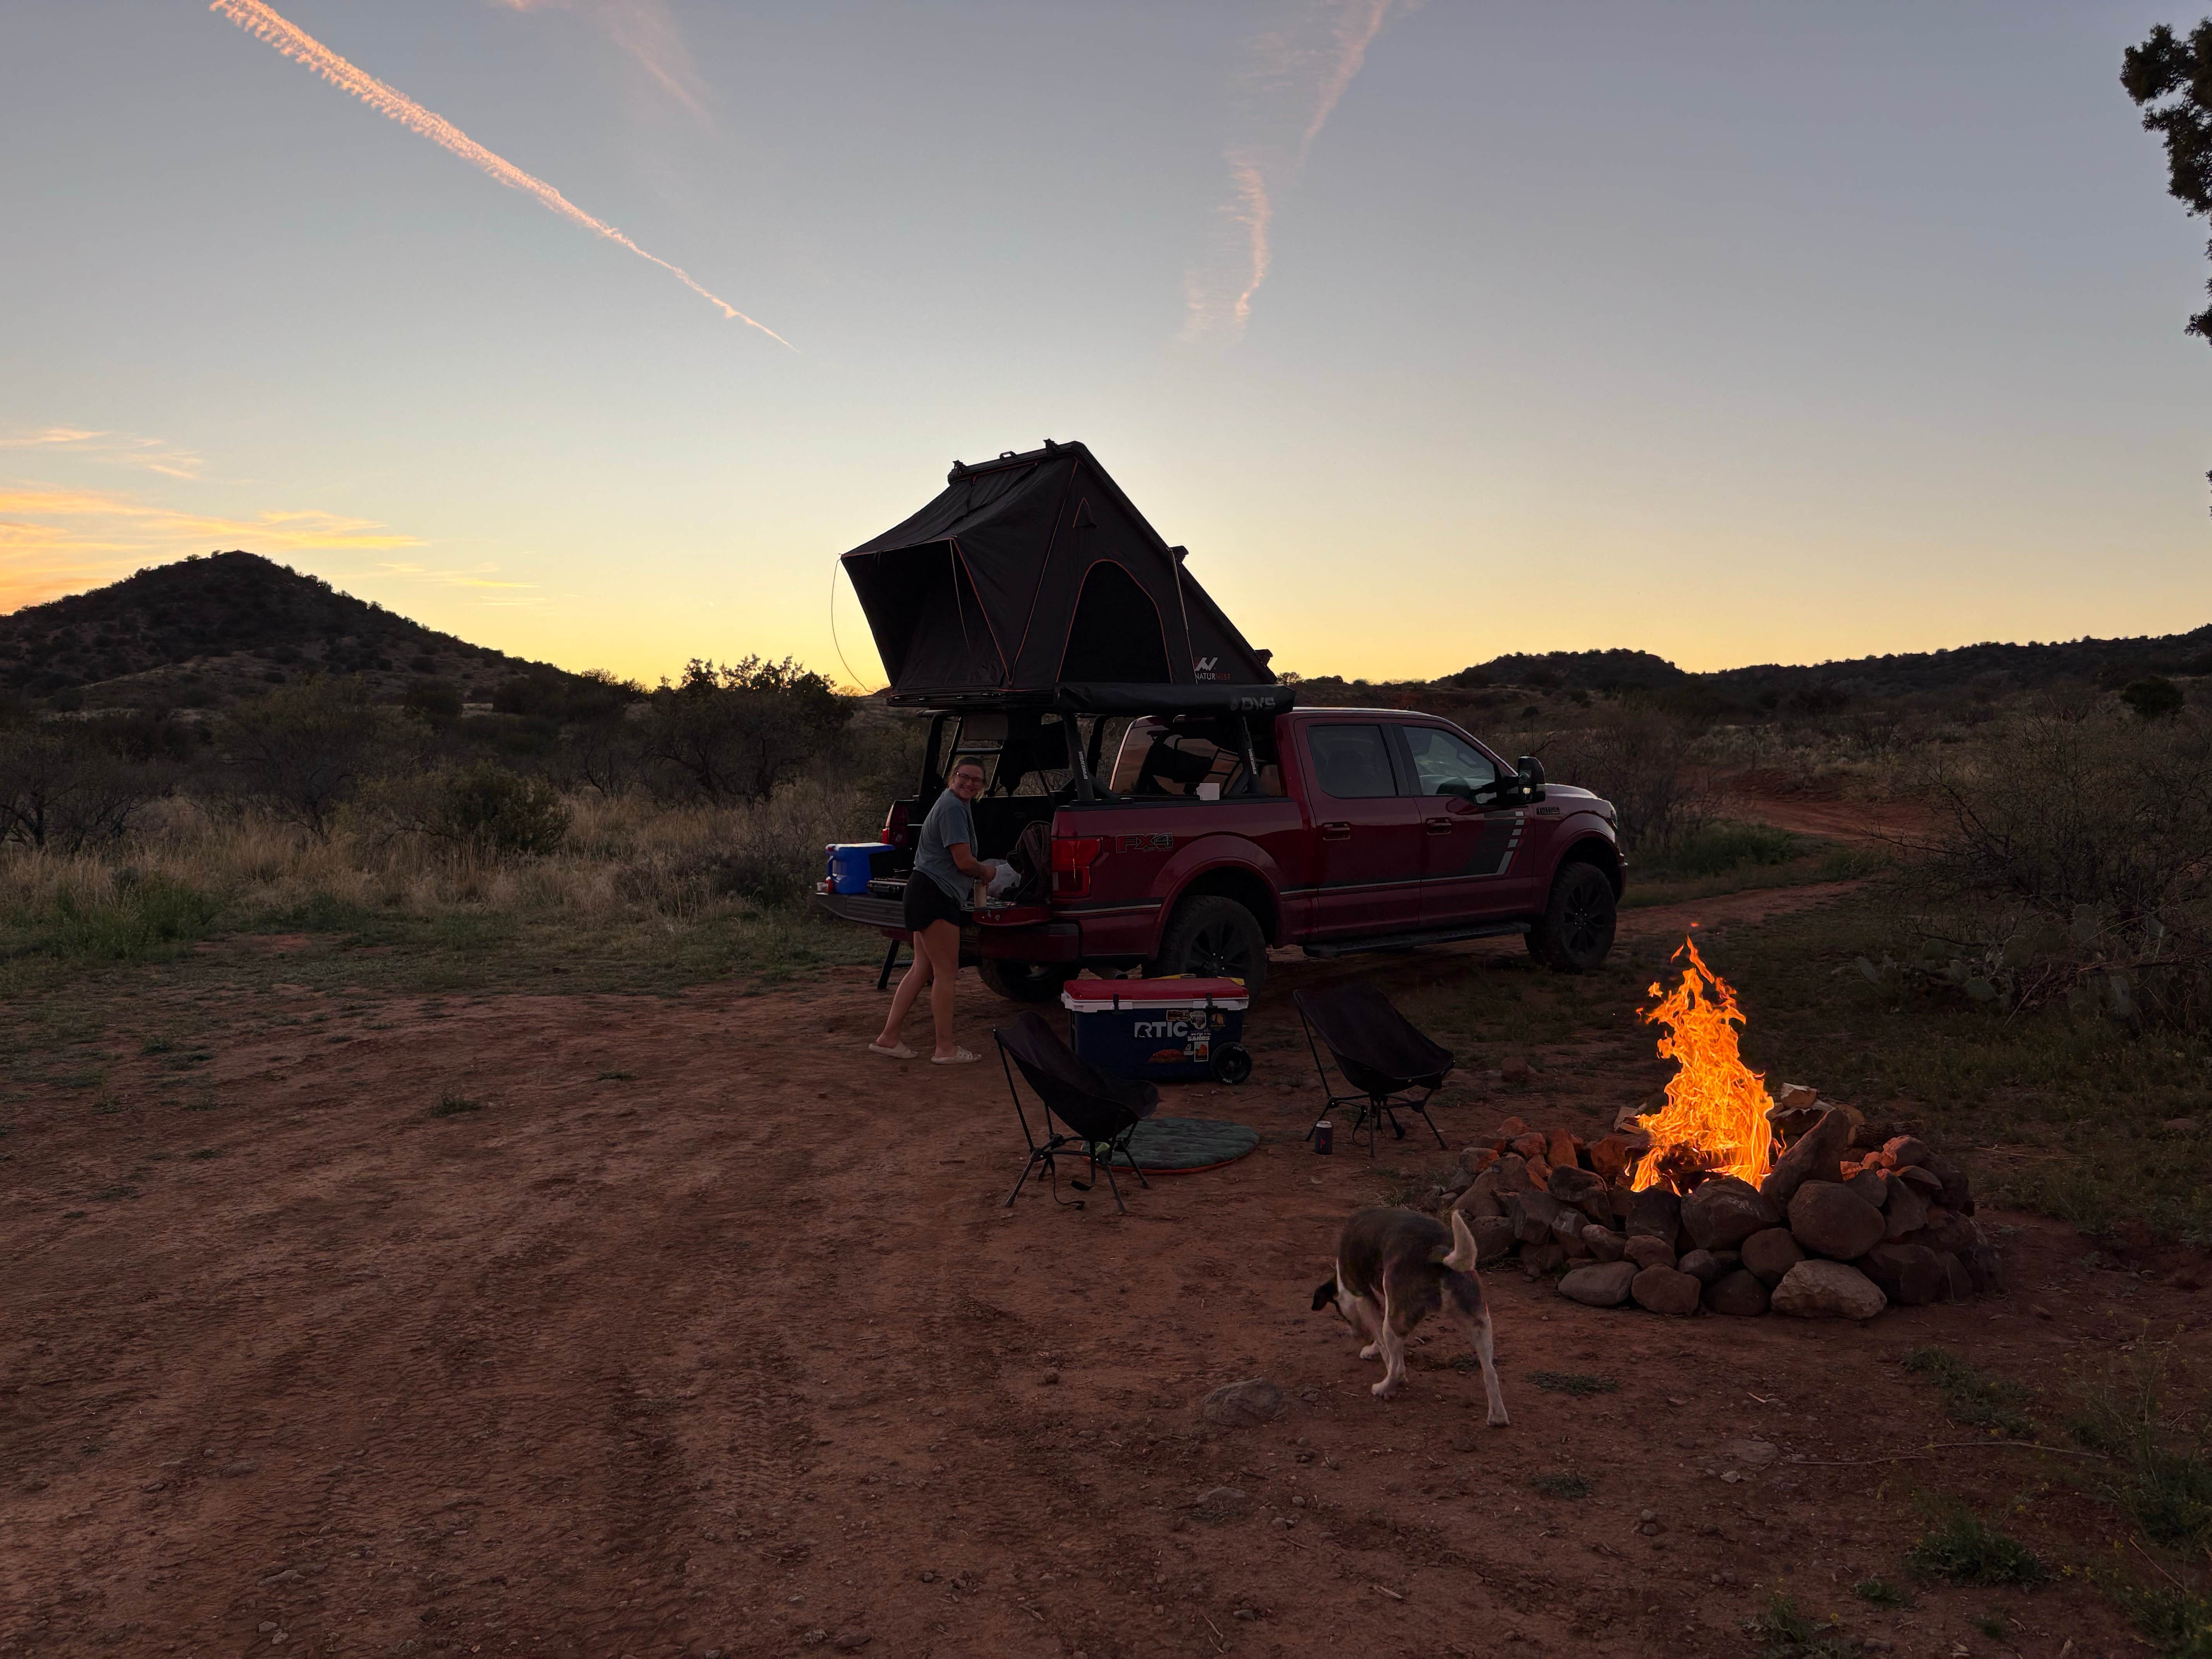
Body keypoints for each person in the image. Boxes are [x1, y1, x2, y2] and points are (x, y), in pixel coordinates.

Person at [871, 758, 1004, 1062]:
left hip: (923, 890)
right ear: (952, 778)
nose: (969, 784)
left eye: (977, 781)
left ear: (983, 786)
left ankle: (889, 1038)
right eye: (964, 777)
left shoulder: (955, 804)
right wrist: (986, 872)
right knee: (946, 972)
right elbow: (964, 861)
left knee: (923, 968)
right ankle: (945, 1048)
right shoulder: (954, 808)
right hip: (935, 895)